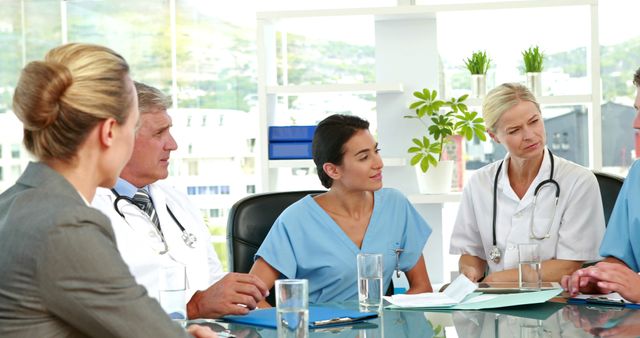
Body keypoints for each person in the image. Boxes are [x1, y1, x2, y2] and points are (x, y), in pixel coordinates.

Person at [0, 43, 215, 337]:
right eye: (133, 125)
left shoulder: (14, 203)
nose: (172, 144)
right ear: (109, 132)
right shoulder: (67, 225)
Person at [91, 81, 268, 319]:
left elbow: (213, 282)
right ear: (118, 138)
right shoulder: (84, 209)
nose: (172, 144)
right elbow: (99, 314)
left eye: (169, 131)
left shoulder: (177, 201)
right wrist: (193, 308)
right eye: (159, 133)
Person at [249, 114, 433, 307]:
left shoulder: (395, 205)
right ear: (333, 170)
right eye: (364, 157)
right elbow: (251, 298)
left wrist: (389, 323)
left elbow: (422, 287)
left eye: (376, 151)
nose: (378, 163)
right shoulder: (295, 220)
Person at [449, 83, 605, 283]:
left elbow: (568, 265)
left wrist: (494, 281)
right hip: (494, 305)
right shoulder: (480, 183)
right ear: (494, 136)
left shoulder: (578, 181)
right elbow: (472, 252)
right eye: (514, 130)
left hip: (555, 304)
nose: (529, 135)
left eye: (534, 122)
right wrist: (469, 272)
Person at [561, 67, 640, 302]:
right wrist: (600, 278)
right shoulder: (638, 175)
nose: (636, 122)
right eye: (637, 110)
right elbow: (620, 261)